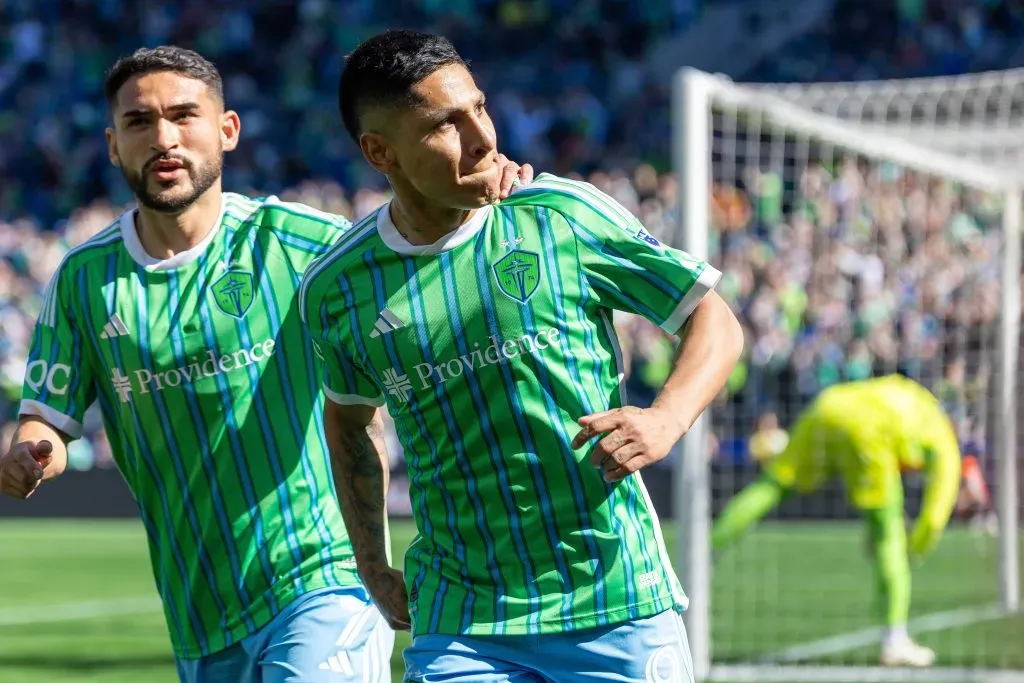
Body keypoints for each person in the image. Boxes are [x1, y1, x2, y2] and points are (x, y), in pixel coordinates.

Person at [0, 45, 531, 683]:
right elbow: (47, 421)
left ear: (227, 132)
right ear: (114, 146)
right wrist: (30, 452)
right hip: (199, 610)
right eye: (140, 122)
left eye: (184, 116)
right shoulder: (85, 279)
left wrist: (489, 196)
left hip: (322, 583)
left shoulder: (302, 243)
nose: (164, 137)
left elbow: (418, 245)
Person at [299, 30, 744, 683]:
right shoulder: (336, 287)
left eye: (478, 108)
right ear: (379, 151)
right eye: (444, 125)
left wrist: (665, 418)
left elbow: (714, 317)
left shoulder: (559, 215)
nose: (481, 136)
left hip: (615, 597)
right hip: (462, 619)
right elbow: (348, 419)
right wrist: (370, 563)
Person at [712, 374, 963, 668]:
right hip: (869, 428)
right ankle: (895, 640)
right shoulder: (943, 437)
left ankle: (703, 555)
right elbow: (934, 515)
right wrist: (914, 548)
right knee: (888, 538)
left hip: (828, 405)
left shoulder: (911, 393)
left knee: (771, 486)